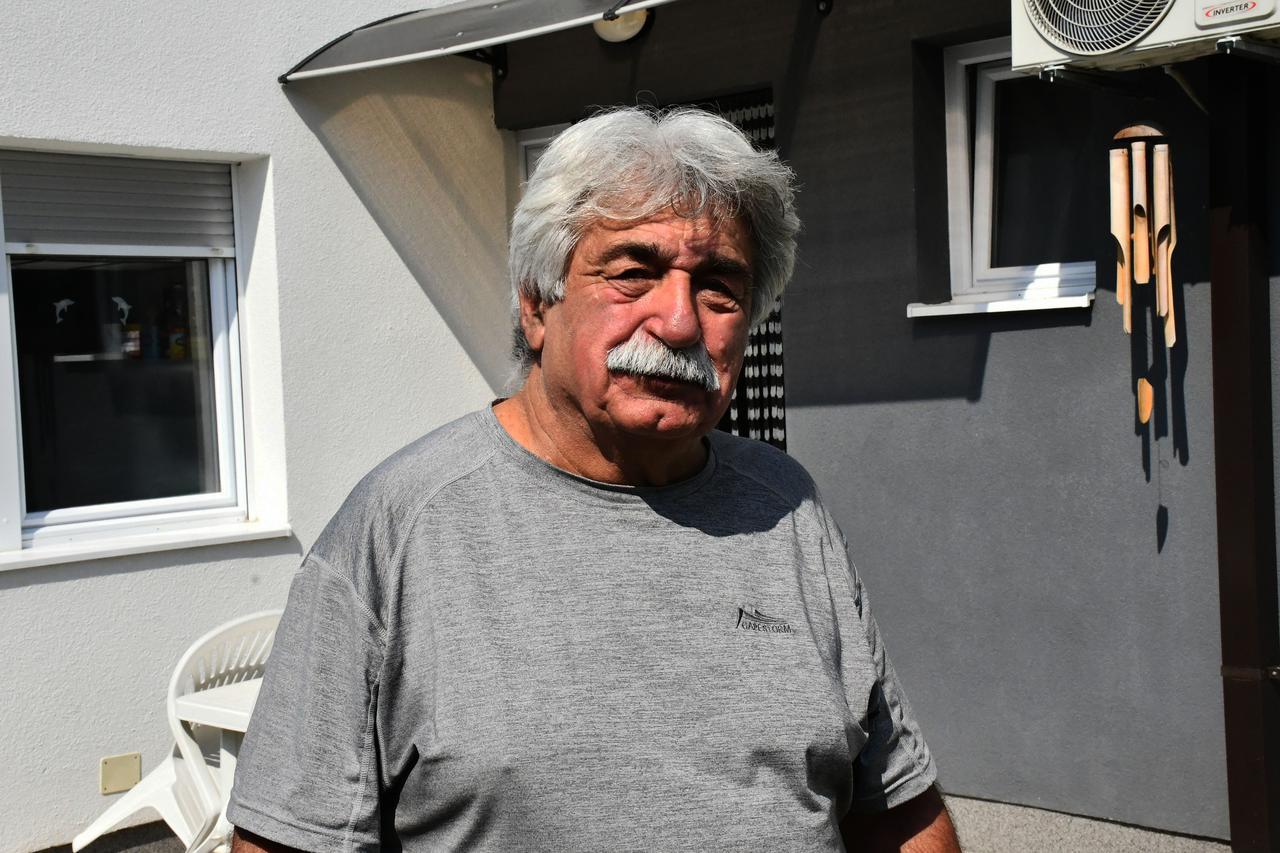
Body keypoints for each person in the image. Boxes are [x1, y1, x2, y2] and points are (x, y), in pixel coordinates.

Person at [227, 107, 960, 852]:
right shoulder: (401, 528)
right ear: (536, 304)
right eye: (634, 274)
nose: (679, 323)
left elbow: (897, 811)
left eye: (719, 288)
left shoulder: (787, 508)